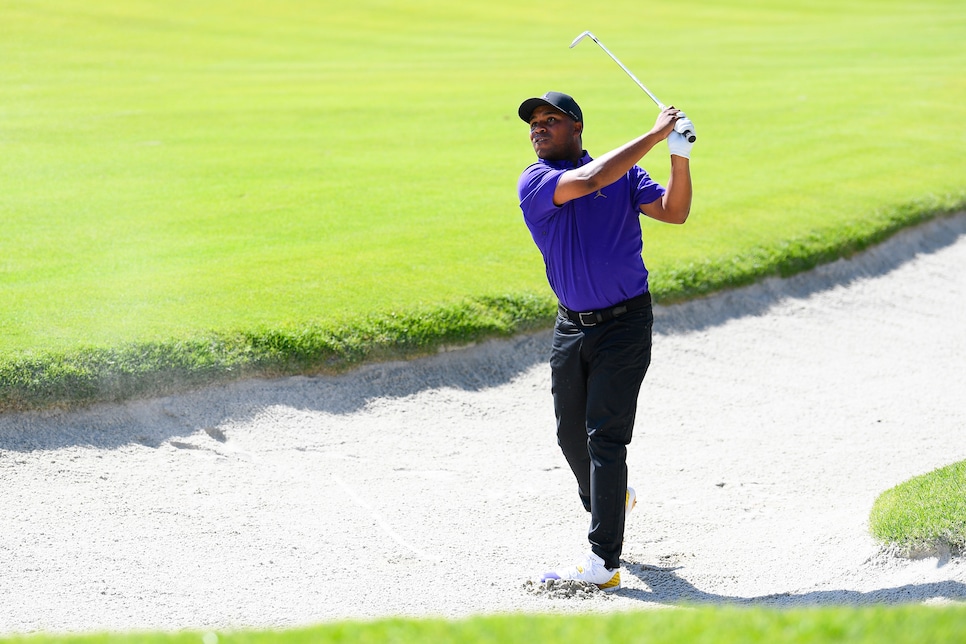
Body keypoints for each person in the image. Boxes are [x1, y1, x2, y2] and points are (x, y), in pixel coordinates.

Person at [516, 91, 694, 592]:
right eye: (534, 123)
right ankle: (612, 502)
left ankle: (604, 562)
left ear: (577, 128)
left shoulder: (627, 177)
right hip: (571, 326)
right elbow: (591, 180)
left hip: (626, 324)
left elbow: (674, 212)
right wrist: (656, 135)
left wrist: (678, 155)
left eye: (551, 120)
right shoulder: (537, 181)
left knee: (604, 438)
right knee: (569, 436)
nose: (539, 128)